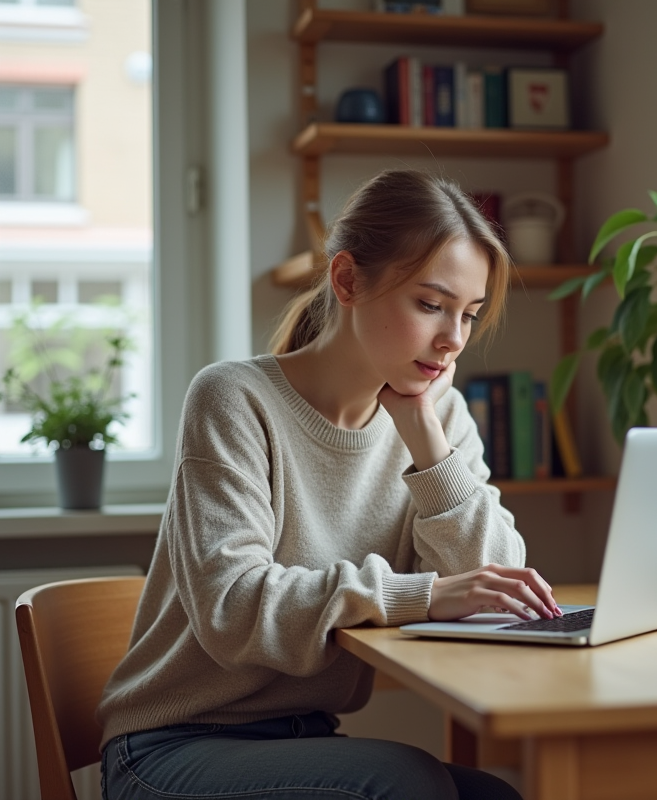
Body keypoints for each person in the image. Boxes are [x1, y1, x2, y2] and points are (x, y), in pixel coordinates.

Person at [97, 169, 562, 800]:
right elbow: (232, 609)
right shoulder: (234, 398)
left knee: (495, 796)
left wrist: (425, 434)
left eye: (468, 315)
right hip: (172, 746)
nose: (453, 340)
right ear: (347, 280)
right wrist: (418, 596)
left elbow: (495, 584)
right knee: (405, 787)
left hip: (304, 737)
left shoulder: (438, 416)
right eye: (430, 305)